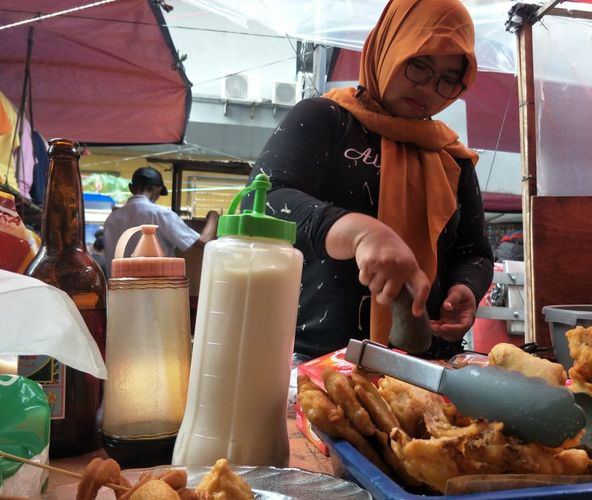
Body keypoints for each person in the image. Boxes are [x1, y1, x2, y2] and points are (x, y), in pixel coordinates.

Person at [247, 0, 493, 359]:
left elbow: (474, 252)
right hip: (319, 360)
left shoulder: (451, 157)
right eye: (418, 66)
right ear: (390, 46)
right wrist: (359, 232)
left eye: (447, 81)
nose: (428, 89)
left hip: (428, 365)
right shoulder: (325, 120)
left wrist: (466, 287)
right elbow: (266, 201)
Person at [103, 166, 219, 276]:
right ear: (157, 191)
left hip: (118, 291)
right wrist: (213, 216)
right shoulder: (161, 214)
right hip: (155, 292)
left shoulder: (111, 219)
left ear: (131, 188)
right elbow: (204, 242)